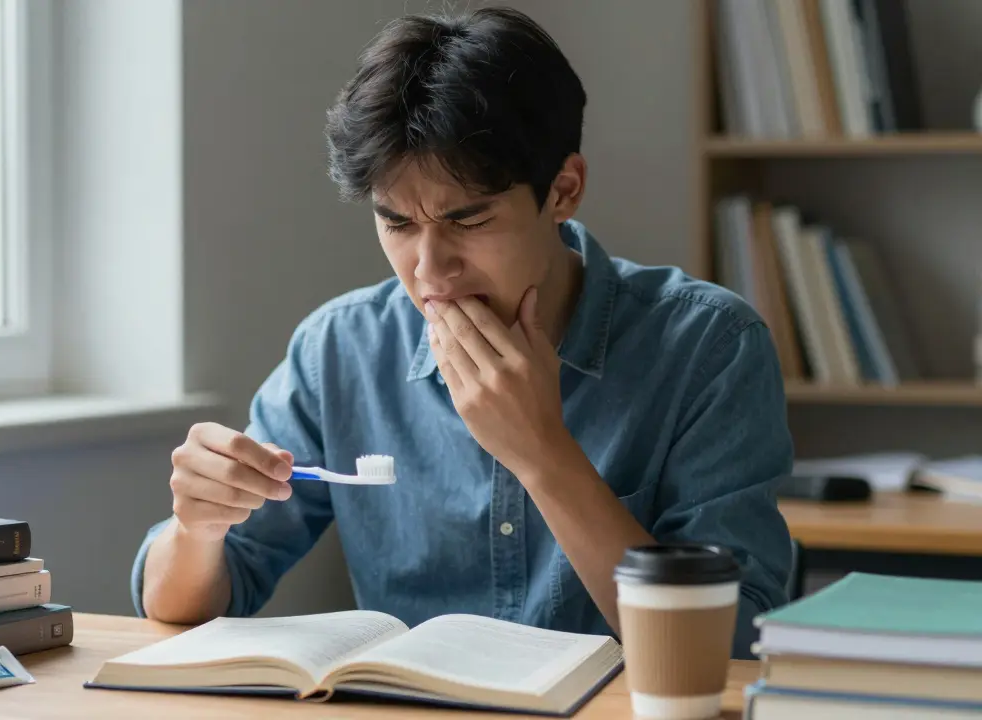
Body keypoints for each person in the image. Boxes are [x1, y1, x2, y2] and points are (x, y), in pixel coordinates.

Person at [130, 5, 792, 659]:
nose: (428, 270)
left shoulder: (710, 347)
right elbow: (177, 603)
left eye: (468, 222)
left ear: (563, 190)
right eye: (397, 223)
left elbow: (728, 643)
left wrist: (542, 453)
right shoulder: (340, 351)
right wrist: (198, 527)